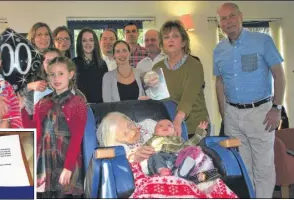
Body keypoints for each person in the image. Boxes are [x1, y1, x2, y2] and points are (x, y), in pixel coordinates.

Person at [214, 2, 286, 198]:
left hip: (260, 113)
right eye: (223, 19)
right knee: (244, 166)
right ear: (219, 23)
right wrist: (223, 113)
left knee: (263, 166)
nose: (228, 22)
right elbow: (219, 83)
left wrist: (276, 108)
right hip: (233, 115)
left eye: (231, 16)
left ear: (241, 17)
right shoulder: (218, 50)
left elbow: (279, 75)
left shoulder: (262, 41)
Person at [96, 112, 238, 198]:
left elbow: (181, 139)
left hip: (177, 163)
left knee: (205, 164)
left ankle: (198, 179)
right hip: (155, 174)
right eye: (125, 133)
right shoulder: (121, 150)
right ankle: (185, 182)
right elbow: (122, 170)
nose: (132, 130)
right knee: (160, 179)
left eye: (130, 125)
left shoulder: (151, 130)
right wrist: (134, 159)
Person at [36, 57, 87, 198]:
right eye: (52, 74)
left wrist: (68, 167)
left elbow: (77, 138)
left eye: (60, 73)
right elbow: (37, 133)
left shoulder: (78, 103)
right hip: (45, 161)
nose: (56, 78)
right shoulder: (42, 102)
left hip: (66, 160)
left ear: (70, 74)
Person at [153, 20, 210, 137]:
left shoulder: (194, 65)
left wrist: (178, 119)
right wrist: (150, 98)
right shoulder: (157, 68)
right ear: (162, 44)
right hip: (170, 127)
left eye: (175, 36)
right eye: (166, 37)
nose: (170, 40)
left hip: (196, 127)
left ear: (183, 42)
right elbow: (160, 99)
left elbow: (188, 98)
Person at [19, 22, 54, 121]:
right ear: (33, 38)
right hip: (30, 114)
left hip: (53, 113)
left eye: (46, 34)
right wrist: (31, 86)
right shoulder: (24, 62)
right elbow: (16, 91)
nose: (44, 37)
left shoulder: (56, 58)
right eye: (39, 35)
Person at [73, 27, 108, 103]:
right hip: (80, 107)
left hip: (100, 107)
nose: (88, 43)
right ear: (80, 43)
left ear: (95, 43)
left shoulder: (102, 64)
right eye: (84, 40)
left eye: (91, 40)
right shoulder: (74, 63)